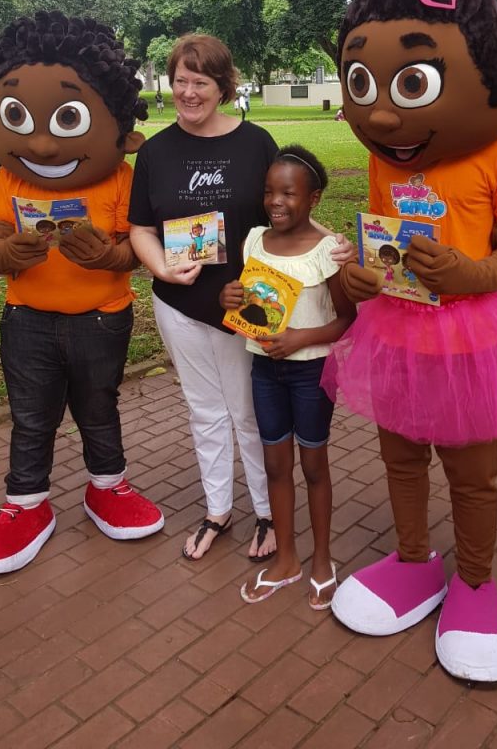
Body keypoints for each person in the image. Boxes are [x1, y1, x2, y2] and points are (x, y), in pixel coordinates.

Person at [323, 0, 497, 682]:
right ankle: (414, 560)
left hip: (474, 338)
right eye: (364, 83)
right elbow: (383, 231)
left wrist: (468, 274)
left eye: (410, 82)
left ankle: (477, 584)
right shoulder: (387, 158)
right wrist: (360, 272)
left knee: (472, 471)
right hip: (397, 331)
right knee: (400, 458)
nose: (383, 113)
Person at [129, 34, 352, 562]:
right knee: (203, 411)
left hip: (248, 306)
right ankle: (217, 510)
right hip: (179, 304)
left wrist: (330, 240)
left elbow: (286, 204)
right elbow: (140, 227)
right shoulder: (156, 152)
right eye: (180, 81)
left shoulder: (254, 143)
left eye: (200, 82)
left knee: (249, 414)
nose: (188, 92)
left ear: (222, 86)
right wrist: (163, 267)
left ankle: (268, 515)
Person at [0, 12, 164, 575]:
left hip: (101, 317)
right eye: (18, 117)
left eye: (68, 117)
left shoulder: (122, 177)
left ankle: (108, 487)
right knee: (32, 416)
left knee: (99, 408)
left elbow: (135, 247)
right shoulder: (11, 179)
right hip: (26, 318)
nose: (44, 143)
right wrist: (11, 254)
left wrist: (109, 256)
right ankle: (25, 504)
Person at [220, 146, 355, 608]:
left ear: (313, 198)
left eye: (289, 193)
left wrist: (301, 338)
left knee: (314, 466)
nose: (276, 201)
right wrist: (229, 296)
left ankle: (322, 559)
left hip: (312, 372)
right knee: (276, 465)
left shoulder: (329, 251)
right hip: (264, 369)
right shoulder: (254, 240)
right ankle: (287, 558)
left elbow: (347, 319)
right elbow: (249, 300)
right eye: (269, 191)